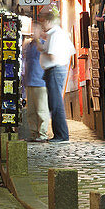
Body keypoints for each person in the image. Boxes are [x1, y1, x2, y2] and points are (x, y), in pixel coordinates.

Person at [37, 9, 75, 143]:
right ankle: (60, 135)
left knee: (56, 104)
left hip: (54, 70)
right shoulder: (56, 34)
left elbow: (53, 56)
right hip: (55, 70)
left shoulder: (55, 35)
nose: (42, 26)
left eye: (43, 22)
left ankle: (61, 135)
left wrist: (43, 52)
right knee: (55, 103)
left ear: (48, 21)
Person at [22, 31, 49, 142]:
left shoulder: (43, 44)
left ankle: (42, 134)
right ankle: (33, 133)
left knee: (42, 110)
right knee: (31, 111)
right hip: (29, 82)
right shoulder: (28, 45)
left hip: (40, 82)